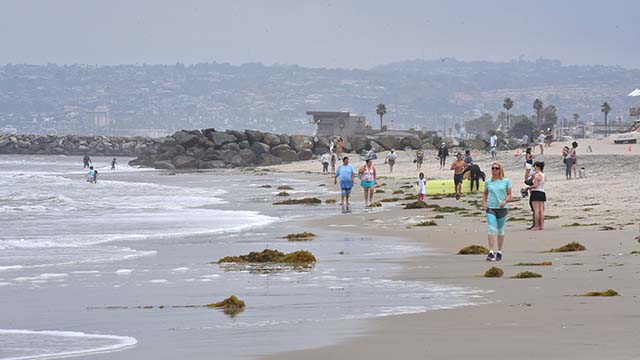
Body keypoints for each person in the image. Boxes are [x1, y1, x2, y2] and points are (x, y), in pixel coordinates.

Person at [482, 161, 512, 261]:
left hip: (502, 208)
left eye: (496, 168)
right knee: (491, 228)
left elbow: (509, 194)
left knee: (500, 230)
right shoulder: (488, 182)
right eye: (493, 168)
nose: (494, 170)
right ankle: (491, 251)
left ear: (500, 170)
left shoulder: (506, 181)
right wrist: (484, 203)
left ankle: (499, 251)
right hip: (491, 207)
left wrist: (505, 201)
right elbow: (485, 193)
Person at [526, 161, 546, 231]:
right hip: (542, 192)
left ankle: (537, 226)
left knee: (536, 211)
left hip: (536, 193)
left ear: (537, 167)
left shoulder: (537, 175)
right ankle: (541, 226)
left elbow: (535, 185)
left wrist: (528, 188)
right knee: (541, 210)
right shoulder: (543, 174)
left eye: (535, 166)